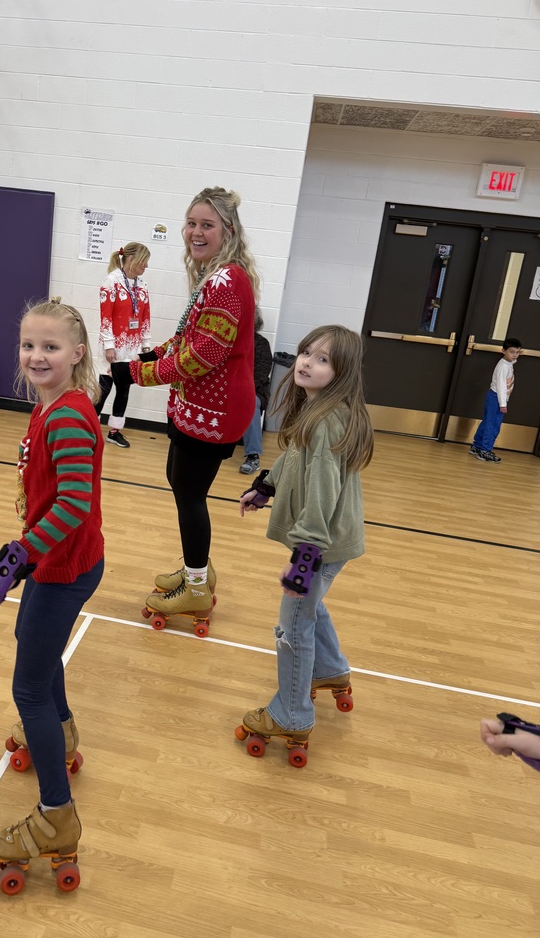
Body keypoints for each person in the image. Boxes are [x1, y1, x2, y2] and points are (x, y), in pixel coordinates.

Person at [0, 298, 104, 889]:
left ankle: (57, 815)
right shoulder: (49, 407)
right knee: (33, 645)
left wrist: (17, 559)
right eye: (29, 345)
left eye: (50, 346)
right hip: (55, 561)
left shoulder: (67, 417)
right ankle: (63, 732)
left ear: (77, 353)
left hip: (64, 567)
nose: (36, 356)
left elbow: (74, 504)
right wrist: (28, 553)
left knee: (28, 686)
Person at [237, 325, 374, 766]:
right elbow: (295, 459)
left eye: (322, 359)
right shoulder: (318, 411)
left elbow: (323, 489)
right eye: (306, 352)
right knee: (309, 609)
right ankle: (329, 669)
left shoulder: (327, 423)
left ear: (342, 373)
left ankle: (292, 715)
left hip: (321, 546)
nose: (307, 363)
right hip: (331, 542)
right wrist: (267, 486)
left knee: (292, 625)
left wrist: (306, 555)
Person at [129, 186, 259, 622]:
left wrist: (139, 373)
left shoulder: (225, 280)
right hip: (200, 405)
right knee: (179, 481)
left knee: (189, 494)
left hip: (215, 409)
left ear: (228, 230)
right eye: (191, 223)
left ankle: (198, 588)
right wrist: (155, 353)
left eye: (207, 225)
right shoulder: (217, 274)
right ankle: (197, 568)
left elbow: (201, 356)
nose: (196, 232)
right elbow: (191, 335)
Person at [94, 243, 152, 449]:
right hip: (114, 346)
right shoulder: (111, 282)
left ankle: (114, 432)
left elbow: (145, 317)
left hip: (132, 348)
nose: (146, 266)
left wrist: (146, 345)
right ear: (131, 259)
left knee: (124, 390)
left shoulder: (142, 285)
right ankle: (90, 429)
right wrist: (109, 345)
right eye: (143, 261)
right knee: (104, 389)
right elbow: (106, 318)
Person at [469, 336, 522, 463]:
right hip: (497, 398)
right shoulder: (504, 366)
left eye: (517, 352)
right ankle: (485, 451)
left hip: (494, 397)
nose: (515, 355)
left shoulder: (507, 363)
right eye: (512, 352)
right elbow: (501, 386)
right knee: (493, 425)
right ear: (503, 351)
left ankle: (477, 446)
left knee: (487, 422)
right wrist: (503, 404)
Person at [239, 310, 273, 475]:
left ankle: (253, 456)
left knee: (250, 403)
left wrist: (241, 389)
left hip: (254, 390)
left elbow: (261, 375)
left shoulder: (261, 344)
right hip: (229, 388)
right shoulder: (229, 341)